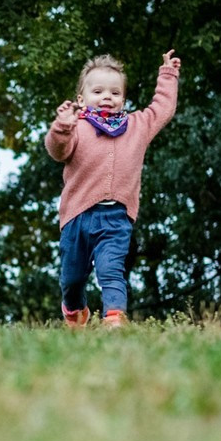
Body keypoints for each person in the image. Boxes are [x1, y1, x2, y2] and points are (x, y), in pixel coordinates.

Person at [45, 50, 181, 327]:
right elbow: (57, 151)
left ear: (123, 99)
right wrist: (61, 127)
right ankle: (74, 310)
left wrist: (167, 75)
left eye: (115, 92)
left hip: (116, 217)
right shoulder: (76, 127)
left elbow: (162, 109)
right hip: (77, 216)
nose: (107, 96)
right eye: (98, 91)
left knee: (111, 269)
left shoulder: (136, 126)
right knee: (72, 278)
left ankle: (114, 318)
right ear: (82, 99)